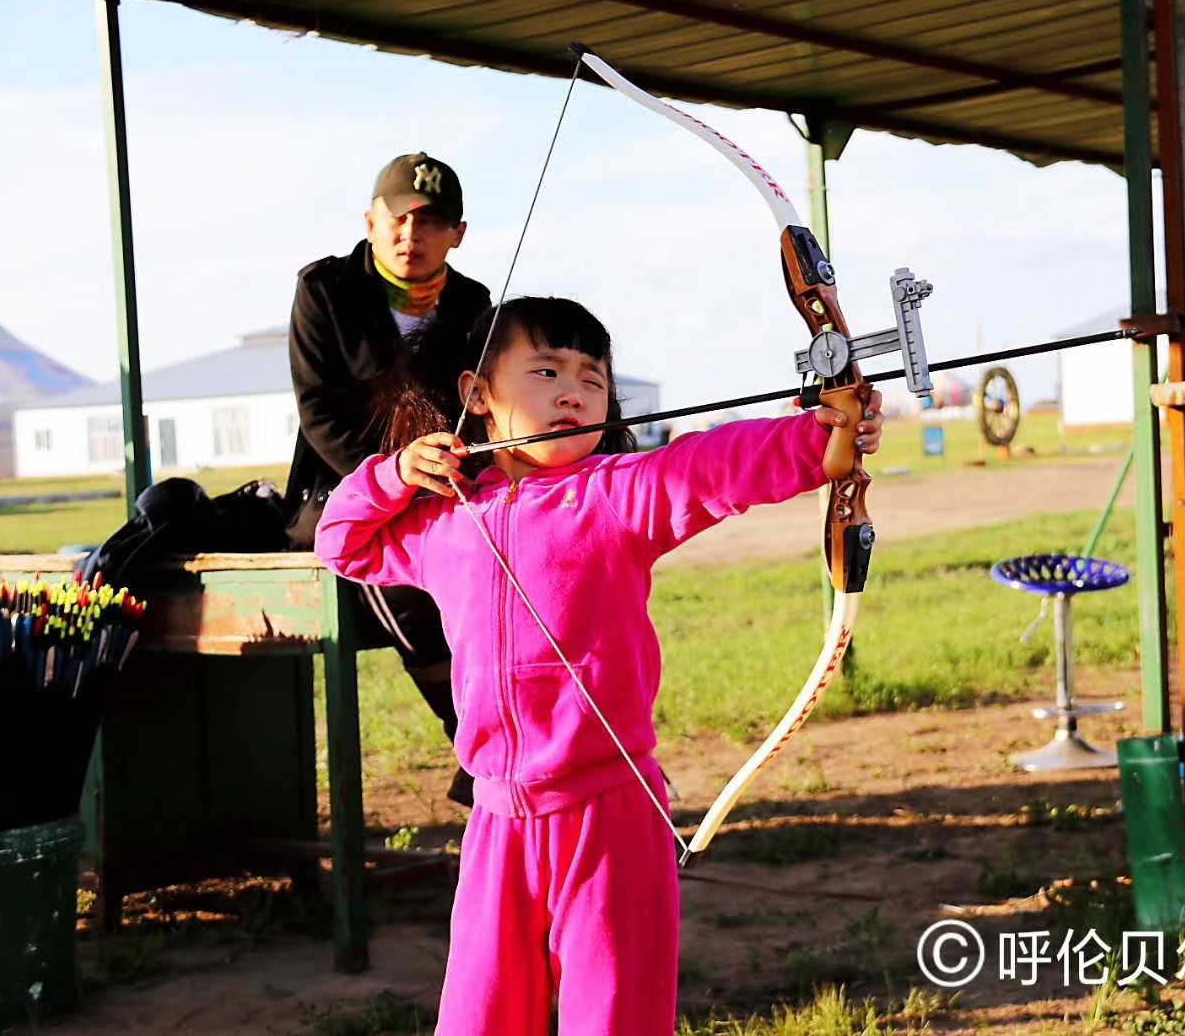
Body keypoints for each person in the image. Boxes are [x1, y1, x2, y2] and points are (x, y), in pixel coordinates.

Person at [314, 297, 884, 1035]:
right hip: (497, 820)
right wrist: (394, 474)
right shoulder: (443, 519)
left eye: (592, 379)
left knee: (615, 1016)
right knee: (479, 1018)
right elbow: (342, 541)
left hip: (611, 813)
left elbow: (710, 465)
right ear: (476, 394)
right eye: (546, 371)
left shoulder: (616, 494)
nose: (572, 394)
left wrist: (826, 433)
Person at [285, 152, 489, 807]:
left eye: (429, 222)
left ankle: (528, 741)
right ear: (370, 223)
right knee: (408, 586)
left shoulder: (474, 304)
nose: (410, 235)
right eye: (397, 218)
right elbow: (319, 414)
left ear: (458, 234)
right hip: (341, 498)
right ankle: (478, 745)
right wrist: (395, 479)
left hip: (446, 493)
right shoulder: (325, 290)